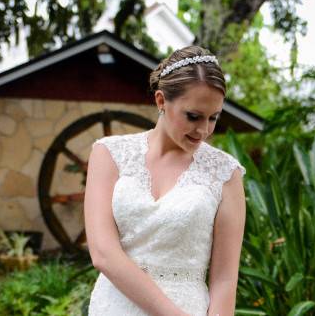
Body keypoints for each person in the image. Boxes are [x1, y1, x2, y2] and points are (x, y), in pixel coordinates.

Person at [84, 45, 247, 316]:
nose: (204, 130)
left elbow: (224, 279)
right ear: (161, 101)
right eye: (193, 117)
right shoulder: (109, 154)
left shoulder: (225, 174)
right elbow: (103, 253)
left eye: (213, 118)